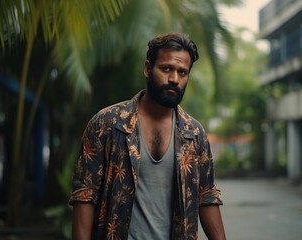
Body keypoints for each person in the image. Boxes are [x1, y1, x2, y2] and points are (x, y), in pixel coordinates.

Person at [69, 32, 226, 240]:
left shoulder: (194, 134)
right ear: (147, 69)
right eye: (166, 68)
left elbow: (206, 197)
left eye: (182, 72)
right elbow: (85, 195)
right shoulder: (107, 124)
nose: (174, 79)